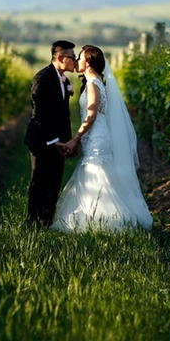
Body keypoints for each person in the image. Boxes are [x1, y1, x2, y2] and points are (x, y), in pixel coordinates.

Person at [50, 45, 153, 232]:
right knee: (98, 173)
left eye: (79, 58)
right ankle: (97, 218)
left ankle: (107, 220)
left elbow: (91, 116)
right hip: (95, 136)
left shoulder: (93, 84)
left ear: (88, 62)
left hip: (96, 136)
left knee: (97, 174)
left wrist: (76, 138)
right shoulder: (95, 82)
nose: (76, 61)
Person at [24, 40, 77, 226]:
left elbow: (64, 115)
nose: (75, 60)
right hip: (41, 139)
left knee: (54, 182)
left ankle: (46, 222)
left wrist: (67, 141)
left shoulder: (65, 79)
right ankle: (32, 223)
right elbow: (39, 115)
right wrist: (54, 140)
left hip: (58, 141)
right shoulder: (42, 78)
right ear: (61, 58)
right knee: (39, 181)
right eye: (72, 57)